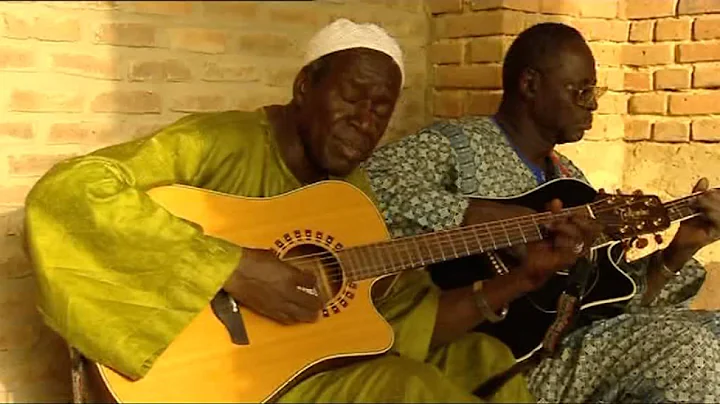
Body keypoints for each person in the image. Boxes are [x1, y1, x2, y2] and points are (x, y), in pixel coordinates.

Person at [23, 19, 599, 403]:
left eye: (381, 109)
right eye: (353, 97)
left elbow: (400, 324)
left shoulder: (354, 194)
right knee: (404, 388)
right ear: (306, 86)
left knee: (482, 355)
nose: (365, 122)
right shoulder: (220, 144)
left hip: (311, 371)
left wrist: (523, 279)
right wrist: (233, 267)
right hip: (222, 382)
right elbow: (72, 193)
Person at [364, 22, 720, 403]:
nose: (593, 103)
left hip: (565, 350)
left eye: (593, 91)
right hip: (483, 357)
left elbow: (607, 309)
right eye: (581, 91)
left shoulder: (572, 180)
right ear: (530, 85)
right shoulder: (459, 147)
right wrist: (480, 218)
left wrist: (678, 251)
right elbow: (369, 182)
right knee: (696, 347)